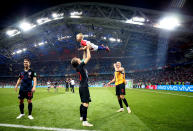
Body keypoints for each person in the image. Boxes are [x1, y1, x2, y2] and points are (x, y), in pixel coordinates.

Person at [71, 45, 93, 127]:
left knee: (83, 103)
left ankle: (81, 117)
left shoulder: (79, 66)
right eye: (78, 59)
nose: (79, 59)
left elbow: (84, 57)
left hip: (82, 86)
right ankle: (84, 122)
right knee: (86, 104)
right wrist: (87, 48)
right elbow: (88, 57)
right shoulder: (80, 66)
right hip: (84, 87)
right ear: (78, 62)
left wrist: (84, 50)